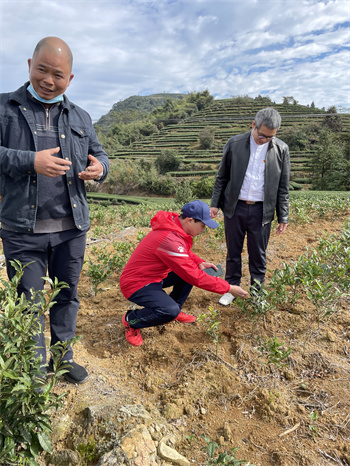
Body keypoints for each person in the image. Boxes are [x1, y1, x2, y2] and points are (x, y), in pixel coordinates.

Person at [0, 37, 109, 383]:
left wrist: (101, 169)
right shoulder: (5, 109)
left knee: (66, 296)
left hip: (71, 228)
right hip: (22, 228)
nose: (48, 80)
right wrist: (30, 161)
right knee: (29, 303)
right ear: (29, 64)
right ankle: (33, 370)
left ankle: (62, 360)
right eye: (42, 70)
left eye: (57, 74)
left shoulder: (80, 116)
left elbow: (100, 153)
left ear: (70, 79)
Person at [119, 200, 248, 346]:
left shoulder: (175, 227)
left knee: (190, 271)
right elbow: (194, 277)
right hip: (137, 284)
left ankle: (173, 309)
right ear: (190, 220)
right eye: (203, 225)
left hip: (153, 276)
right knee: (169, 309)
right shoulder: (169, 239)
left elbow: (184, 253)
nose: (204, 229)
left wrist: (199, 262)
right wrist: (229, 288)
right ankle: (132, 321)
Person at [210, 107, 290, 306]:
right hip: (234, 208)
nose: (264, 140)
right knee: (233, 251)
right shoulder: (235, 144)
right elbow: (222, 176)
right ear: (253, 125)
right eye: (262, 135)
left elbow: (283, 186)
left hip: (261, 211)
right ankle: (231, 288)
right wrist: (215, 204)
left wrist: (283, 216)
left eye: (270, 137)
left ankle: (257, 291)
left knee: (258, 254)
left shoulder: (281, 149)